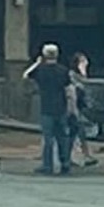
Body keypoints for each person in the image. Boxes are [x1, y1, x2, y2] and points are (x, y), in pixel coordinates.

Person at [23, 43, 76, 175]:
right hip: (61, 107)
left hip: (47, 108)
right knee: (62, 138)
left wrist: (36, 63)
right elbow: (69, 89)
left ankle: (47, 166)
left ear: (44, 55)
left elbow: (26, 75)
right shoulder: (63, 70)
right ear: (57, 55)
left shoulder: (40, 70)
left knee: (48, 139)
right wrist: (71, 108)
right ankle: (65, 164)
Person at [68, 52, 99, 168]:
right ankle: (75, 156)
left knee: (80, 133)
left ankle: (85, 155)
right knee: (75, 132)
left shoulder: (81, 76)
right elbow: (78, 89)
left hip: (81, 107)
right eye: (82, 61)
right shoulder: (72, 75)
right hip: (74, 107)